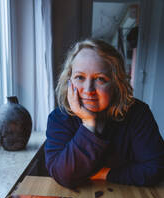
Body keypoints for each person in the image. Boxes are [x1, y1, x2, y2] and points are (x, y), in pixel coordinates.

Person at [44, 38, 164, 188]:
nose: (88, 90)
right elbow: (62, 175)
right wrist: (88, 124)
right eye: (80, 77)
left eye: (100, 79)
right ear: (69, 82)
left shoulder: (138, 113)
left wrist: (106, 173)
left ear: (116, 83)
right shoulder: (59, 118)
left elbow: (156, 169)